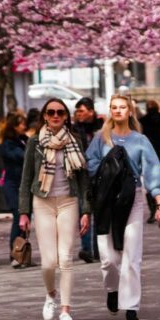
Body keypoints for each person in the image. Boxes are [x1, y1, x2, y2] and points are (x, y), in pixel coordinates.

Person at [86, 94, 160, 320]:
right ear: (110, 111)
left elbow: (152, 173)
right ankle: (112, 289)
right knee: (108, 258)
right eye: (114, 107)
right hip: (106, 201)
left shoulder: (140, 140)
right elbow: (89, 166)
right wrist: (108, 169)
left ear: (130, 111)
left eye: (123, 107)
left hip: (132, 199)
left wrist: (159, 203)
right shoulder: (100, 139)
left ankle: (131, 307)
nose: (118, 111)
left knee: (132, 256)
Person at [18, 99, 91, 320]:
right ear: (45, 116)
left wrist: (86, 210)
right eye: (51, 112)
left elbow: (83, 178)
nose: (56, 115)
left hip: (68, 201)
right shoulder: (35, 142)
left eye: (60, 112)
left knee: (66, 259)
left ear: (66, 116)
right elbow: (26, 178)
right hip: (43, 203)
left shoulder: (75, 141)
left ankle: (66, 312)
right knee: (49, 263)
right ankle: (51, 294)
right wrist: (23, 212)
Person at [73, 97, 103, 262]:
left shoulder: (102, 127)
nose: (79, 114)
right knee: (84, 212)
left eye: (82, 111)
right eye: (77, 111)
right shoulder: (74, 129)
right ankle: (86, 249)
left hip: (99, 176)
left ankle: (98, 248)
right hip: (81, 176)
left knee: (99, 213)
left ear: (91, 111)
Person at [0, 112, 29, 266]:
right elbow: (22, 157)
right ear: (15, 127)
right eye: (22, 124)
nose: (25, 126)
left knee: (25, 220)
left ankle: (22, 252)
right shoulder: (8, 143)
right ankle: (14, 254)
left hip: (23, 186)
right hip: (12, 185)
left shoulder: (23, 140)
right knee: (19, 218)